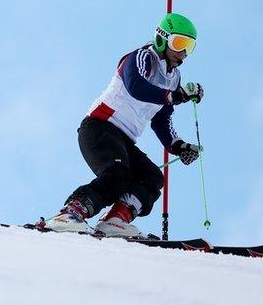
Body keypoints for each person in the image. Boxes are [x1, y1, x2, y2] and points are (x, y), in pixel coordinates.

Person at [39, 13, 204, 237]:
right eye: (179, 43)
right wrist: (173, 96)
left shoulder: (173, 79)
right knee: (118, 173)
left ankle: (116, 220)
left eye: (189, 46)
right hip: (100, 126)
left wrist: (178, 145)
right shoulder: (142, 57)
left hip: (124, 139)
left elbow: (161, 118)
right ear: (162, 39)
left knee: (152, 177)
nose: (183, 53)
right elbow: (137, 86)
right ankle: (72, 212)